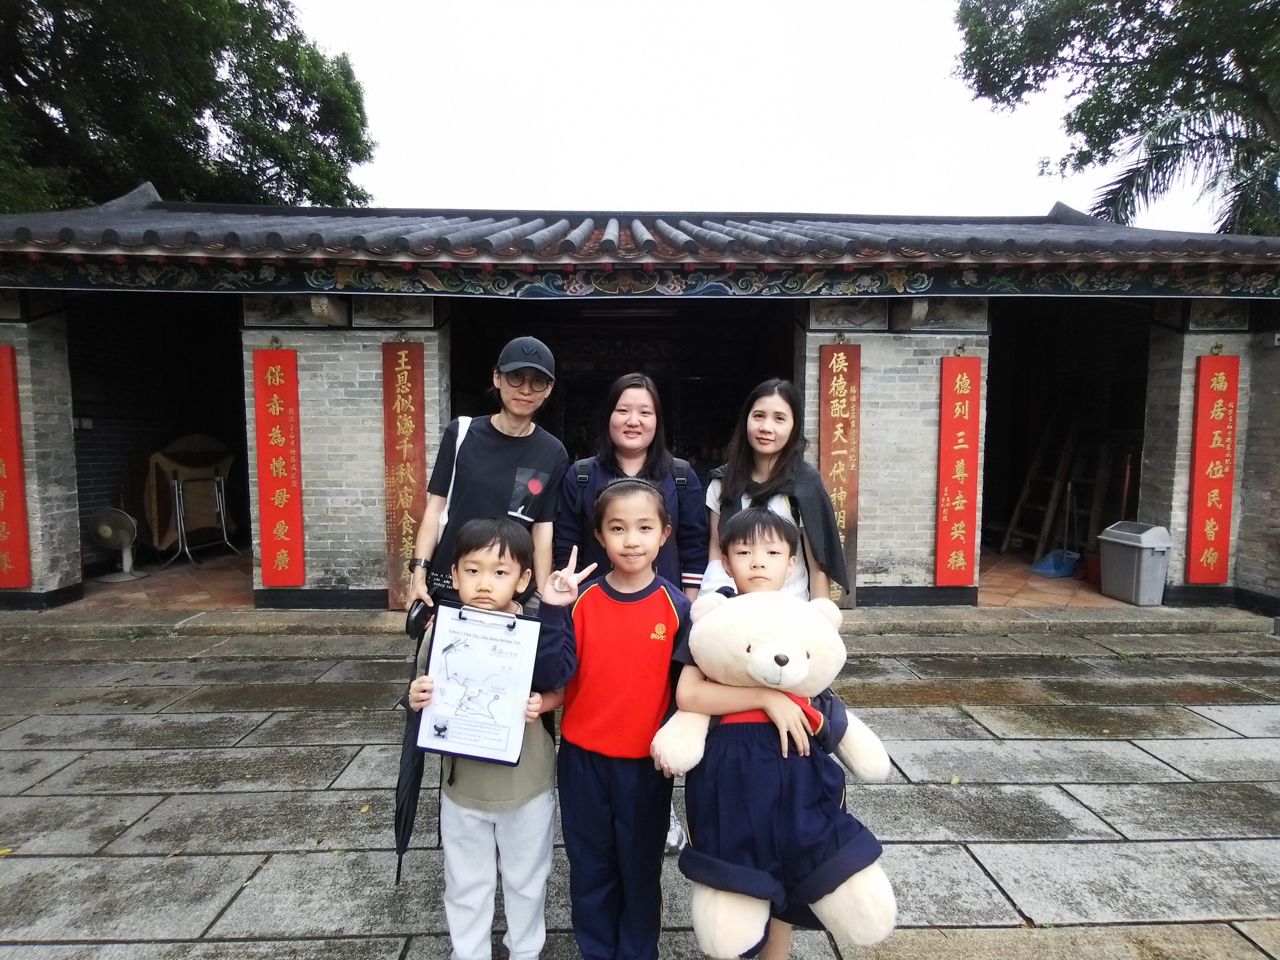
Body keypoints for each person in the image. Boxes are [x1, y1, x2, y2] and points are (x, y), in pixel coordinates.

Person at [668, 508, 854, 960]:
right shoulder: (713, 617)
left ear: (791, 563)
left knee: (789, 876)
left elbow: (818, 684)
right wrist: (766, 699)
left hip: (796, 770)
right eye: (744, 552)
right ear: (725, 562)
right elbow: (689, 694)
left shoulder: (801, 617)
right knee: (731, 877)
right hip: (730, 775)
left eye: (772, 553)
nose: (757, 562)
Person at [535, 477, 693, 960]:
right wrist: (552, 611)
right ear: (599, 536)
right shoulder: (581, 601)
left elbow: (684, 692)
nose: (631, 540)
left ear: (664, 534)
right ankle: (597, 950)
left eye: (644, 527)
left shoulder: (676, 608)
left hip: (644, 766)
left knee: (640, 868)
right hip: (582, 760)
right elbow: (552, 674)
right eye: (617, 528)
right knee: (590, 865)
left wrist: (676, 743)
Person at [407, 517, 565, 960]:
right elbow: (422, 687)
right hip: (463, 787)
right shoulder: (442, 630)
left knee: (527, 877)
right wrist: (416, 696)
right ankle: (469, 951)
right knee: (465, 880)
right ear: (454, 575)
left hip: (526, 783)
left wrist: (545, 703)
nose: (483, 583)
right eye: (472, 570)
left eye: (499, 572)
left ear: (523, 580)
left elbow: (563, 686)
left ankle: (525, 949)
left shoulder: (537, 632)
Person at [405, 336, 569, 612]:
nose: (525, 389)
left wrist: (542, 596)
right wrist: (418, 576)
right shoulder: (462, 434)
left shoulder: (553, 452)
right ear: (497, 378)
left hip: (510, 595)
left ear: (549, 389)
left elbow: (542, 528)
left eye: (538, 381)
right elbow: (436, 509)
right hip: (452, 584)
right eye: (516, 377)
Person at [554, 372, 709, 601]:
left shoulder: (681, 477)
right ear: (608, 416)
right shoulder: (581, 476)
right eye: (623, 411)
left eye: (645, 412)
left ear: (657, 421)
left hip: (664, 607)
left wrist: (688, 607)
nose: (633, 421)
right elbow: (567, 546)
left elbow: (694, 548)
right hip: (595, 606)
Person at [702, 378, 848, 601]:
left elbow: (818, 565)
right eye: (758, 416)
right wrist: (714, 602)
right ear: (746, 420)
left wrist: (821, 616)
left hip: (790, 609)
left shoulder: (805, 484)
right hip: (736, 610)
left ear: (793, 426)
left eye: (779, 418)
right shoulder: (723, 482)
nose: (766, 427)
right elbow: (716, 550)